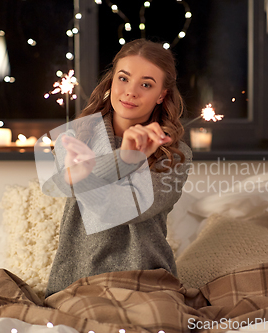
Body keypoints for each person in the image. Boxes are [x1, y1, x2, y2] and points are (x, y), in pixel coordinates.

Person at [44, 39, 192, 298]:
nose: (131, 91)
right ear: (111, 81)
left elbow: (125, 210)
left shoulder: (175, 154)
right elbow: (61, 185)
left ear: (162, 95)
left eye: (146, 84)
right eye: (123, 78)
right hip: (77, 280)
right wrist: (124, 159)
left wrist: (108, 166)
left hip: (147, 281)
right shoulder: (74, 136)